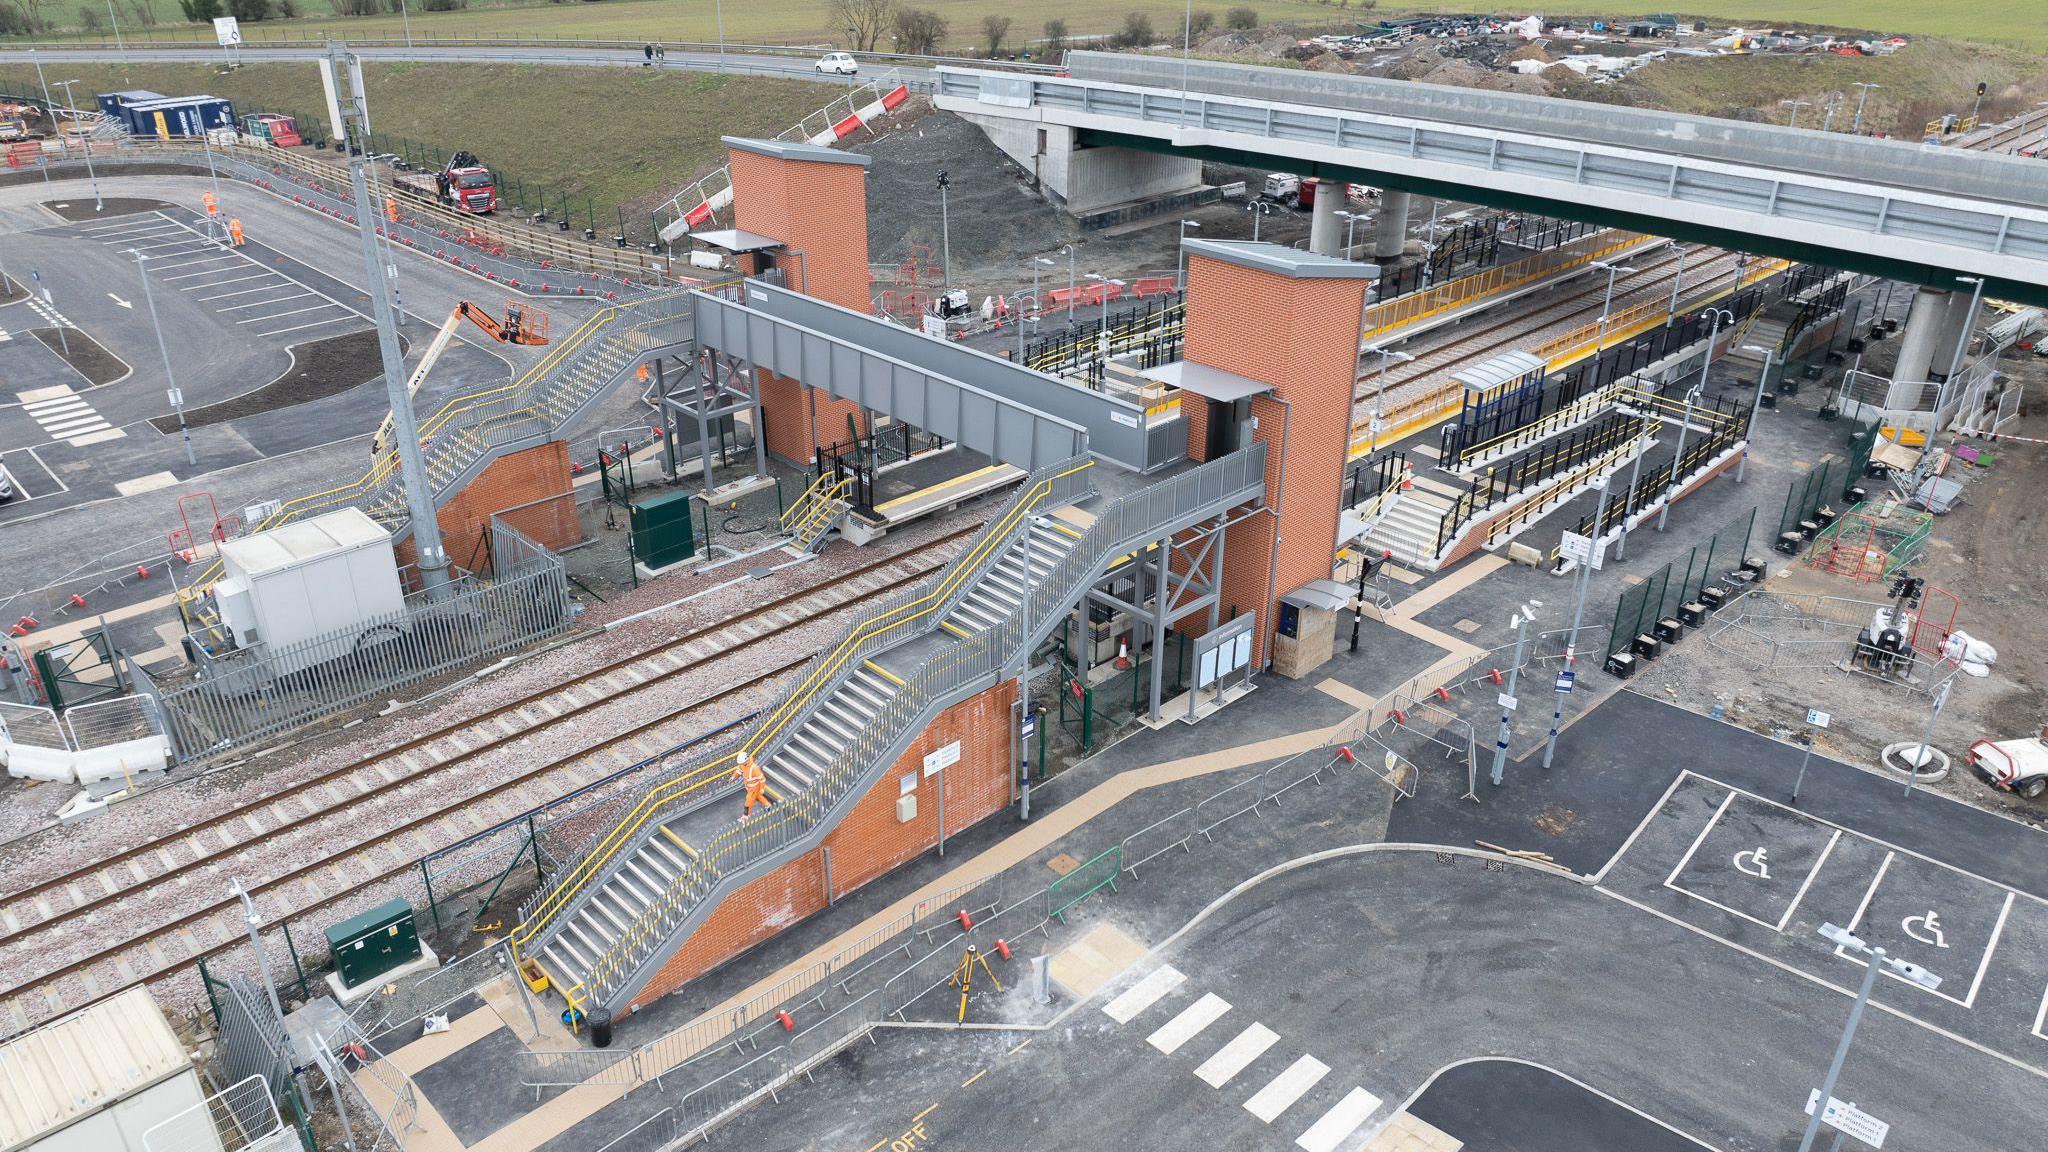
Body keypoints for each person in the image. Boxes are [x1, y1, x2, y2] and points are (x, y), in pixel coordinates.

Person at [733, 751, 767, 821]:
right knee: (758, 796)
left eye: (742, 763)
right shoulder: (743, 765)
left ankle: (745, 816)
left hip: (754, 787)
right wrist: (733, 777)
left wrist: (762, 788)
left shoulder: (754, 768)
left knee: (748, 801)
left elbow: (762, 779)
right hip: (749, 786)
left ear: (746, 760)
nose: (741, 764)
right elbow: (739, 770)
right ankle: (768, 806)